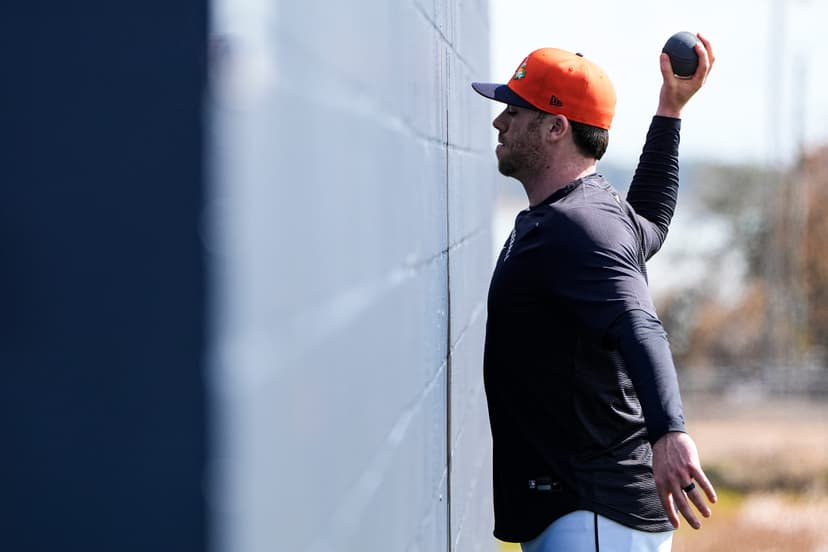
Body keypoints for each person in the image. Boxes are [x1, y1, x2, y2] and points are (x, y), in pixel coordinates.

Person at [471, 35, 717, 551]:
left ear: (555, 127)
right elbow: (650, 222)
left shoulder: (581, 225)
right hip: (584, 514)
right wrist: (670, 109)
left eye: (514, 110)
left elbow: (640, 324)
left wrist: (669, 432)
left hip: (595, 517)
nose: (499, 122)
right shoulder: (586, 214)